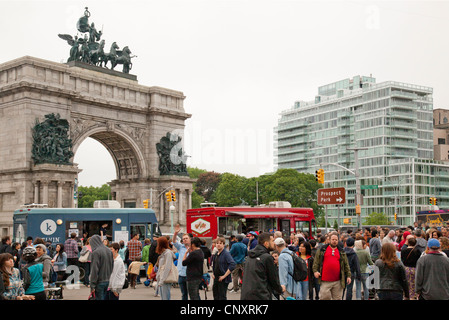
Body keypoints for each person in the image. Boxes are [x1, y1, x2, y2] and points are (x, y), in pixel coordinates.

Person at [241, 232, 284, 300]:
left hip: (246, 295)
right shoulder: (267, 258)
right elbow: (273, 279)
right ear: (266, 243)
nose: (274, 243)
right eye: (272, 241)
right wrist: (281, 289)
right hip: (261, 295)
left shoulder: (249, 257)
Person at [312, 232, 351, 300]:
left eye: (336, 240)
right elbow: (316, 262)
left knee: (338, 298)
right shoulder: (322, 250)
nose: (334, 241)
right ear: (329, 240)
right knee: (324, 297)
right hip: (325, 281)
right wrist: (315, 271)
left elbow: (346, 265)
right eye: (333, 239)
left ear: (338, 241)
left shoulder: (341, 251)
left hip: (338, 281)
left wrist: (348, 276)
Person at [89, 234, 114, 300]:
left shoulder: (96, 252)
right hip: (107, 280)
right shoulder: (109, 250)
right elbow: (112, 265)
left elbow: (94, 269)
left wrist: (92, 285)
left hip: (99, 282)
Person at [173, 225, 191, 300]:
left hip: (190, 274)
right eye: (183, 239)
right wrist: (175, 234)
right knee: (184, 294)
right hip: (181, 274)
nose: (185, 240)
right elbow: (174, 241)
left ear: (190, 239)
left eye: (186, 238)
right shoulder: (181, 247)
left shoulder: (193, 248)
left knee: (192, 294)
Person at [155, 236, 176, 300]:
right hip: (162, 279)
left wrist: (162, 280)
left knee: (165, 297)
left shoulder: (167, 253)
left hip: (165, 279)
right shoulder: (164, 253)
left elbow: (167, 267)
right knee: (163, 297)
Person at [400, 236, 421, 300]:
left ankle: (406, 296)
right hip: (414, 269)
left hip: (406, 269)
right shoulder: (417, 251)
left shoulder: (403, 250)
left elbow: (402, 260)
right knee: (413, 284)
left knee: (406, 284)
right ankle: (413, 296)